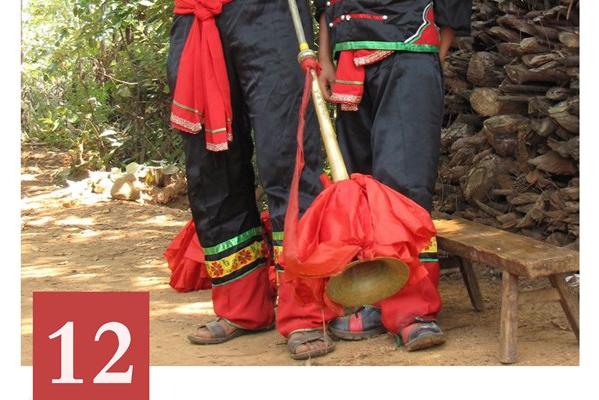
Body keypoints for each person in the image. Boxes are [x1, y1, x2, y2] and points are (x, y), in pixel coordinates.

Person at [166, 0, 341, 360]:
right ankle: (240, 306)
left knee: (287, 157)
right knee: (211, 167)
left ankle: (306, 311)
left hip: (270, 15)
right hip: (194, 16)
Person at [314, 0, 472, 351]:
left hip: (409, 52)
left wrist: (432, 55)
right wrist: (325, 58)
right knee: (362, 184)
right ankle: (374, 301)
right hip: (349, 59)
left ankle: (413, 311)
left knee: (405, 183)